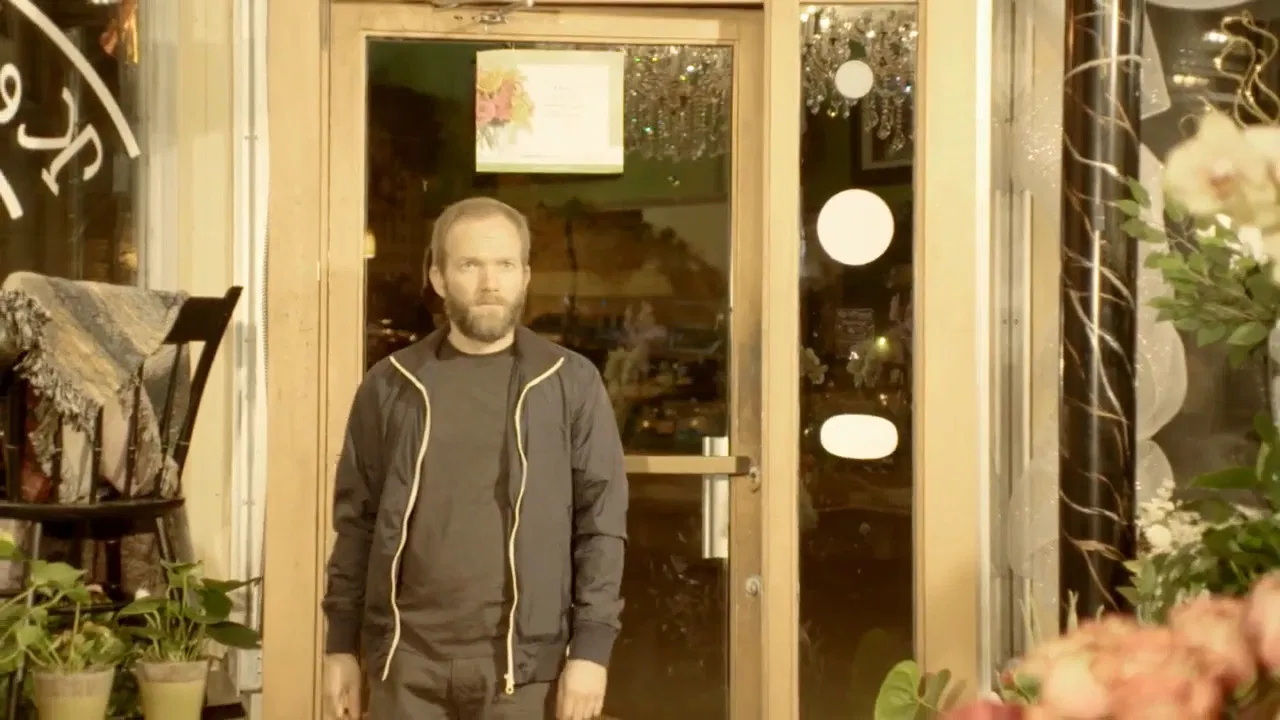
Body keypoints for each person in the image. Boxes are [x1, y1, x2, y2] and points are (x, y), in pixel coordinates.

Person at [321, 197, 629, 720]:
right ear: (439, 278)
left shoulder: (569, 383)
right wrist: (340, 645)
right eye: (470, 265)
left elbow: (600, 526)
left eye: (505, 264)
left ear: (525, 275)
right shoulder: (391, 385)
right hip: (405, 666)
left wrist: (591, 651)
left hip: (524, 671)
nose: (490, 283)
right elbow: (356, 525)